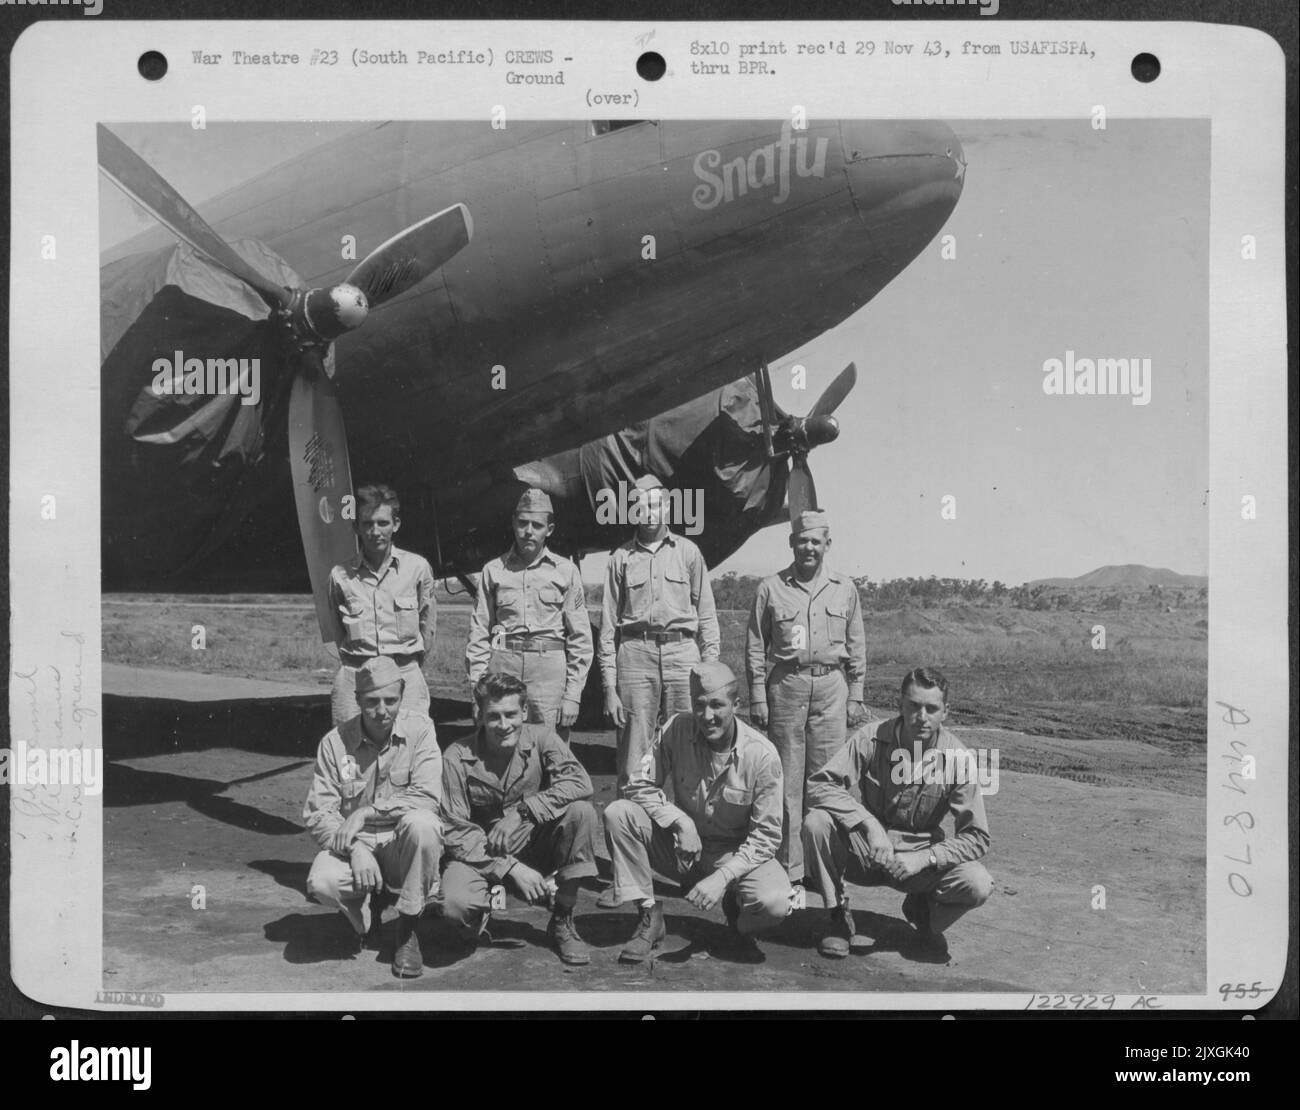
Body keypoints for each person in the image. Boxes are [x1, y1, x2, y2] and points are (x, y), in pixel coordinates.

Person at [603, 661, 791, 963]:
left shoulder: (762, 755)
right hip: (684, 849)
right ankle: (649, 915)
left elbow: (767, 838)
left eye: (717, 705)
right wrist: (680, 821)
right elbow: (638, 782)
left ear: (737, 704)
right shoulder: (676, 728)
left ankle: (738, 920)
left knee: (778, 902)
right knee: (618, 814)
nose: (707, 716)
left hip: (735, 856)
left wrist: (724, 877)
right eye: (699, 705)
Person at [801, 667, 992, 960]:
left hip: (918, 863)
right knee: (816, 822)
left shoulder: (959, 759)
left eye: (932, 708)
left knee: (977, 883)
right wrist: (868, 824)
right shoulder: (871, 737)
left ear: (946, 712)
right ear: (900, 704)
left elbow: (977, 837)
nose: (922, 716)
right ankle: (838, 916)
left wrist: (925, 858)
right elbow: (820, 785)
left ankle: (925, 915)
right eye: (914, 706)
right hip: (867, 852)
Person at [437, 672, 600, 966]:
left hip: (532, 842)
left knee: (582, 813)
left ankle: (563, 916)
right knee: (453, 907)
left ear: (524, 711)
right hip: (481, 855)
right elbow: (455, 832)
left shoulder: (542, 738)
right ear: (479, 715)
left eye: (511, 714)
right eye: (494, 716)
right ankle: (480, 914)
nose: (503, 725)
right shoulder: (456, 756)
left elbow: (580, 783)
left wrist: (523, 811)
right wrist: (511, 868)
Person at [746, 509, 868, 885]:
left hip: (832, 688)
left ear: (827, 544)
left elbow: (857, 643)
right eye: (802, 540)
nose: (808, 547)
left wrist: (856, 694)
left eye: (816, 541)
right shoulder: (770, 587)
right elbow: (754, 644)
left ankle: (825, 867)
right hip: (786, 687)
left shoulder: (845, 588)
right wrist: (757, 696)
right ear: (791, 543)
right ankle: (790, 867)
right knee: (786, 780)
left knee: (827, 781)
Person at [303, 656, 444, 979]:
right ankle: (369, 907)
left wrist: (368, 811)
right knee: (322, 882)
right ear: (356, 700)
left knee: (424, 825)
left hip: (401, 842)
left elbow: (427, 797)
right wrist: (355, 849)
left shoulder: (420, 731)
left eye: (390, 700)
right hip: (358, 845)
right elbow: (318, 812)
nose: (382, 710)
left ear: (402, 695)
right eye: (371, 701)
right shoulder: (334, 743)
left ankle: (407, 930)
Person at [465, 488, 593, 740]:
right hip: (503, 665)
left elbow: (580, 638)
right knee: (500, 744)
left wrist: (572, 695)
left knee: (550, 749)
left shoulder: (565, 571)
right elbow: (480, 631)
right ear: (513, 523)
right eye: (522, 523)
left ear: (550, 529)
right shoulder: (493, 570)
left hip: (548, 672)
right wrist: (476, 689)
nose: (528, 531)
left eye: (537, 525)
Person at [326, 483, 436, 727]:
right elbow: (337, 632)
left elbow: (427, 627)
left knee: (410, 748)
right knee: (349, 752)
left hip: (405, 674)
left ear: (396, 524)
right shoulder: (340, 575)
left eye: (383, 523)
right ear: (356, 527)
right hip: (356, 675)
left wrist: (405, 667)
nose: (375, 531)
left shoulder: (417, 569)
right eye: (367, 524)